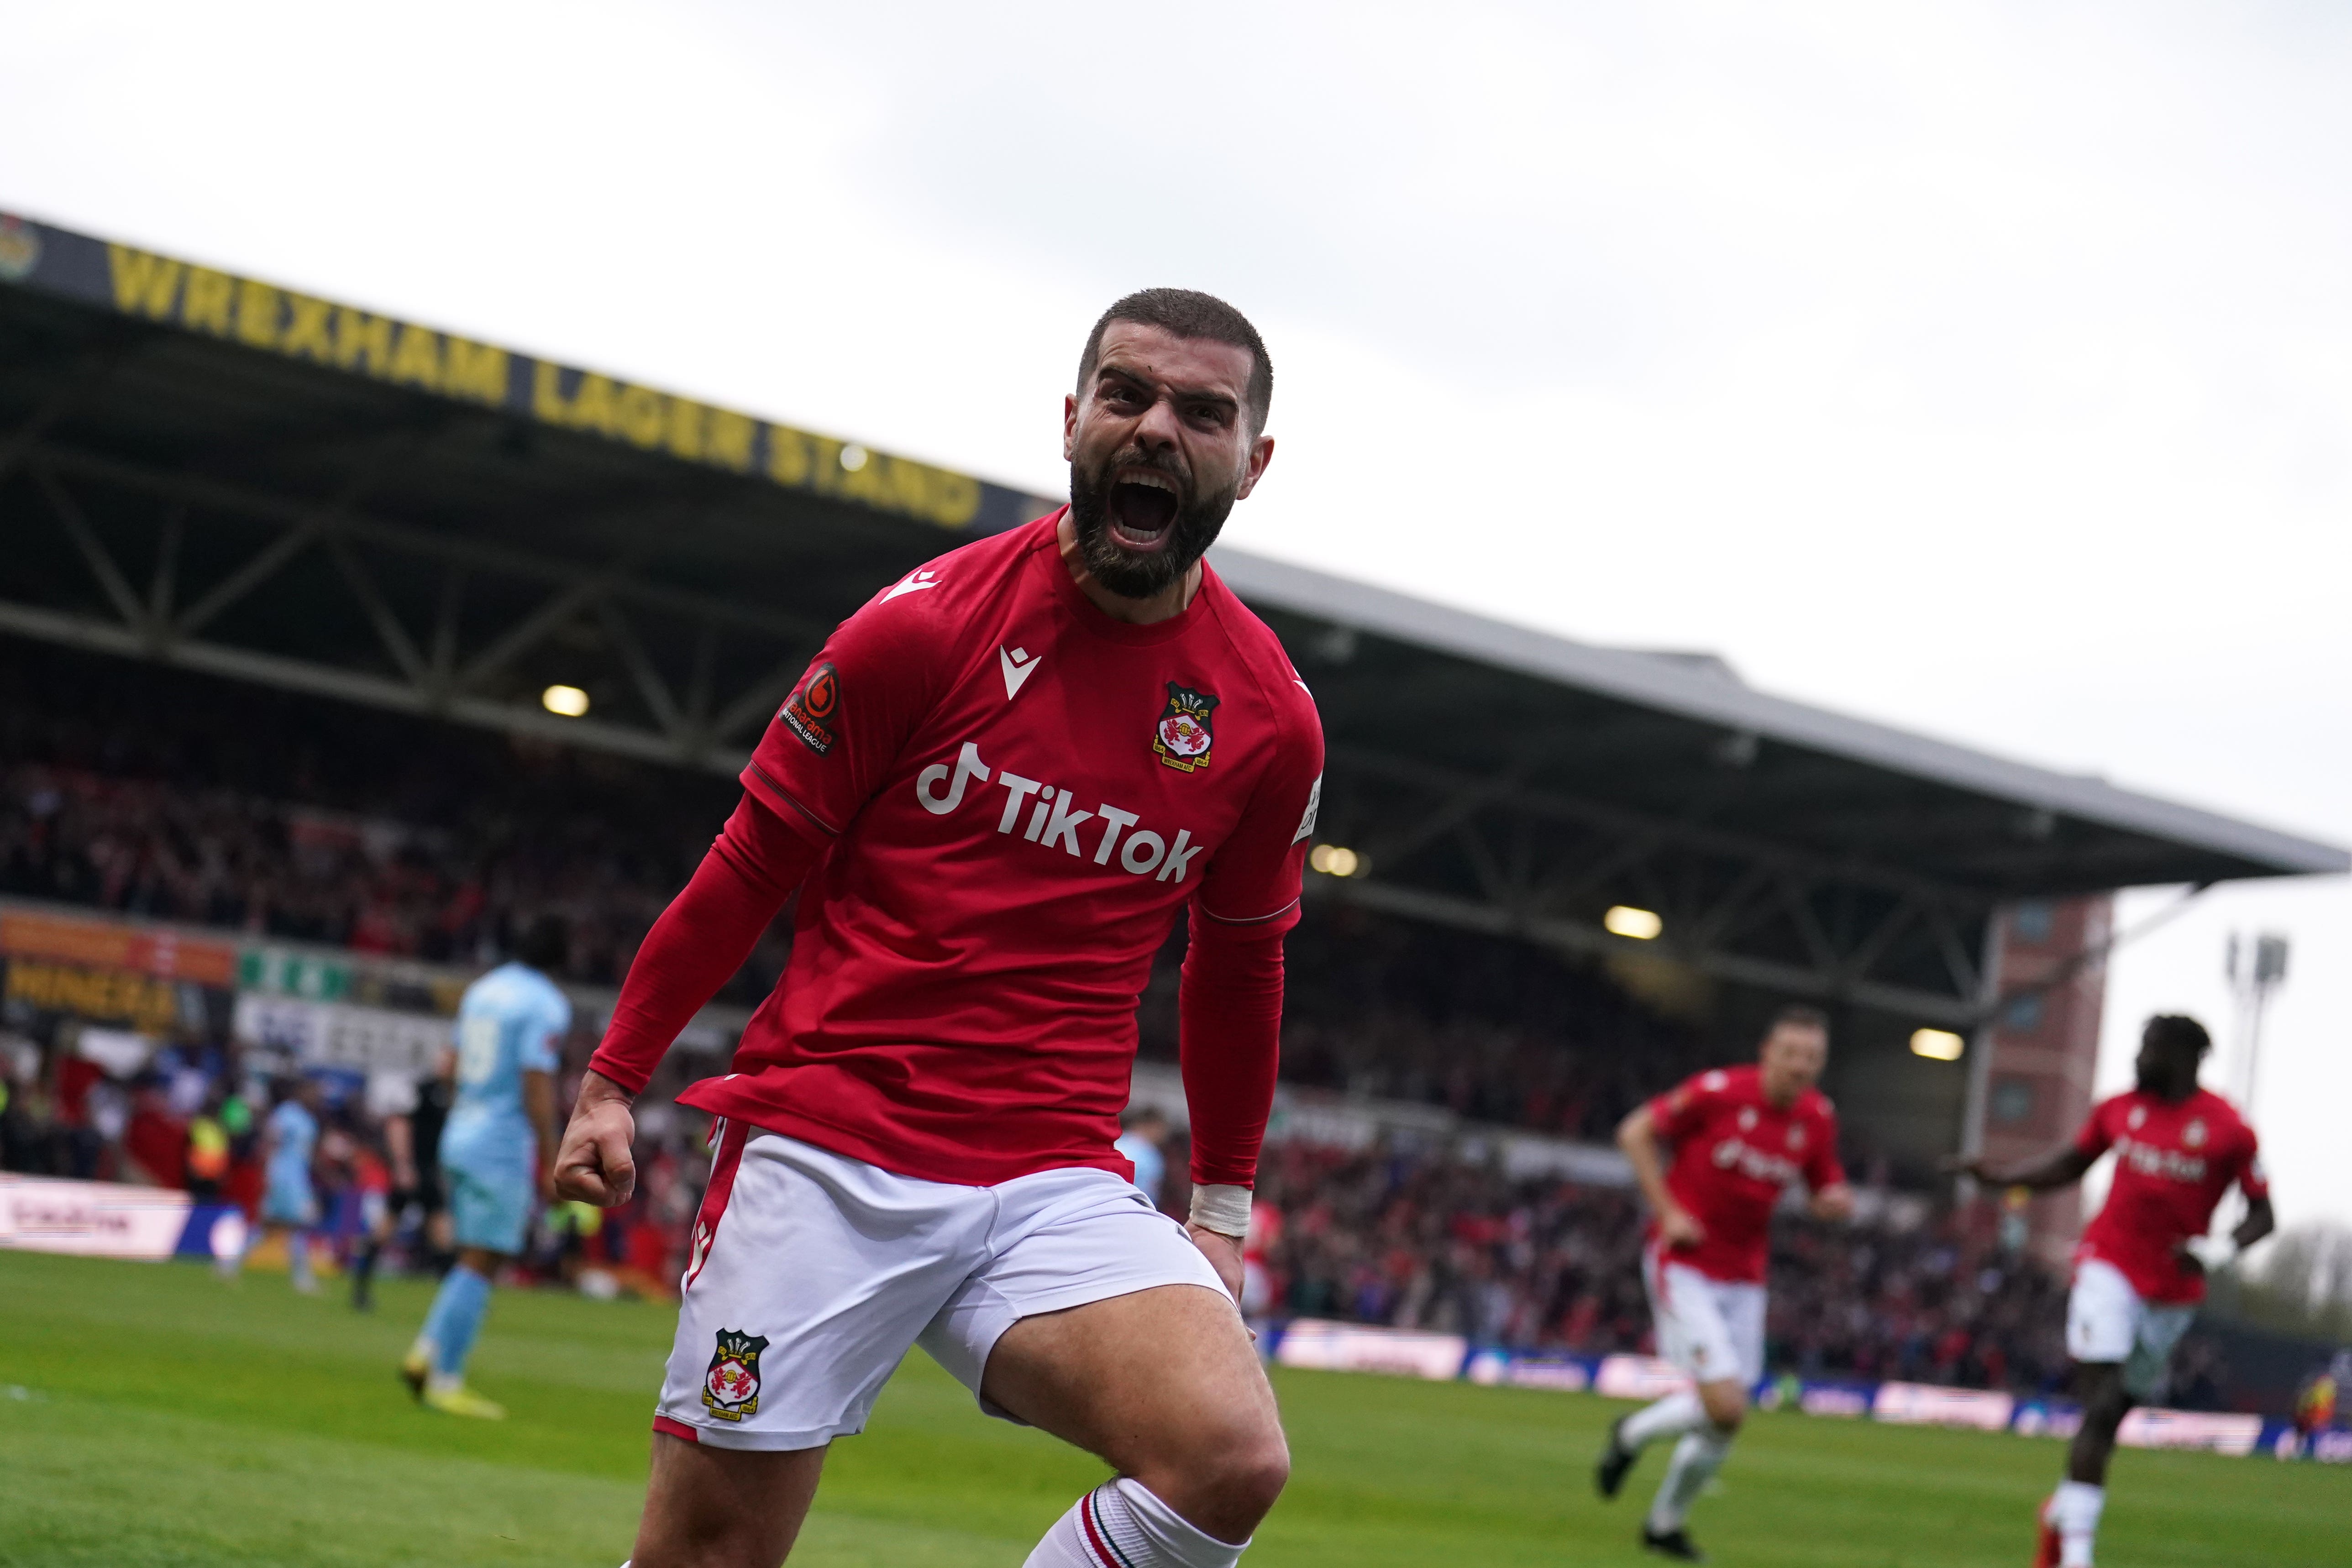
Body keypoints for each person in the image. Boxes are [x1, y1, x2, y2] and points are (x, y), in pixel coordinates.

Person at [553, 288, 1320, 1568]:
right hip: (828, 1152)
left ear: (1254, 462)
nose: (1157, 429)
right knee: (709, 1555)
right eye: (1127, 394)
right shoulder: (925, 626)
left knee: (1229, 1458)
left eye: (1203, 411)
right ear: (1072, 418)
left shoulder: (1268, 718)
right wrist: (614, 1079)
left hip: (1050, 1179)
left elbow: (1241, 964)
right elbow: (752, 861)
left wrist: (1222, 1205)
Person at [1954, 1013, 2273, 1568]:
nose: (2138, 1058)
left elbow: (2262, 1215)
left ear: (2184, 1057)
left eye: (2150, 1049)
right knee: (2098, 1404)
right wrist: (2003, 1177)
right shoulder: (2118, 1109)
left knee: (2114, 1412)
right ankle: (2079, 1557)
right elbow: (2071, 1163)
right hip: (2107, 1264)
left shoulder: (2230, 1131)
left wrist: (2215, 1251)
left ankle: (2061, 1515)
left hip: (2172, 1289)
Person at [1595, 1006, 1854, 1562]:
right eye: (1790, 1054)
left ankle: (1661, 1520)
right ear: (1766, 1053)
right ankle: (1633, 1440)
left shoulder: (1817, 1118)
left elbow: (1822, 1186)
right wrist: (1667, 1212)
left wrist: (1833, 1203)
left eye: (1812, 1057)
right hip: (1685, 1264)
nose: (1800, 1066)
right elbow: (1634, 1132)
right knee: (1727, 1405)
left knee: (1725, 1416)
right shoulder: (1718, 1093)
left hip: (1745, 1276)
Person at [400, 915, 571, 1419]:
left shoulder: (482, 991)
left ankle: (425, 1353)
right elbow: (535, 1084)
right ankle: (445, 1378)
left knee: (472, 1257)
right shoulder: (545, 1005)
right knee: (485, 1259)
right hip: (500, 1140)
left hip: (462, 1130)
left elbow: (449, 1064)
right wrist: (550, 1156)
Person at [254, 1076, 325, 1292]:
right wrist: (268, 1172)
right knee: (293, 1225)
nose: (316, 1098)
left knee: (274, 1226)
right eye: (313, 1092)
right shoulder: (287, 1113)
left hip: (298, 1179)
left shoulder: (309, 1120)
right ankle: (301, 1278)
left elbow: (307, 1154)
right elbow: (272, 1141)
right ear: (302, 1092)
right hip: (283, 1177)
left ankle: (228, 1264)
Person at [1116, 1106, 1174, 1209]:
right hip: (1131, 1210)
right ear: (1153, 1127)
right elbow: (1147, 1193)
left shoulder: (1117, 1142)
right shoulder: (1149, 1155)